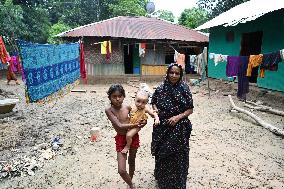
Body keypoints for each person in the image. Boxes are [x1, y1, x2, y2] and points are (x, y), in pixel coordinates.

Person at [151, 63, 194, 189]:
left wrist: (177, 117)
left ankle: (178, 182)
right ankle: (163, 180)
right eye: (171, 73)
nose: (174, 75)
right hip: (162, 126)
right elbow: (153, 103)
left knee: (178, 155)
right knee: (162, 153)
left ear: (180, 75)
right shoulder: (160, 88)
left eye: (177, 73)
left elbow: (190, 109)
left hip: (179, 126)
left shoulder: (184, 89)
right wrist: (156, 112)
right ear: (167, 73)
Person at [105, 84, 146, 189]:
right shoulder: (109, 110)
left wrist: (143, 121)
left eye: (120, 96)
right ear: (110, 97)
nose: (117, 99)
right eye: (114, 96)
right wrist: (135, 125)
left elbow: (141, 113)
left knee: (132, 160)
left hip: (132, 136)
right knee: (121, 170)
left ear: (123, 96)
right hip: (121, 138)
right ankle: (131, 184)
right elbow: (119, 125)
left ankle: (130, 183)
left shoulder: (128, 107)